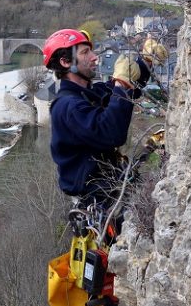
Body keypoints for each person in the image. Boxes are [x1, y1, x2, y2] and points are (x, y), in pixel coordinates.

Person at [43, 28, 166, 209]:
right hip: (99, 200)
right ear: (65, 62)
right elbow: (111, 133)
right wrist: (122, 83)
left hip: (110, 190)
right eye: (85, 52)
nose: (94, 57)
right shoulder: (68, 107)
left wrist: (146, 61)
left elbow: (119, 92)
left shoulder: (86, 95)